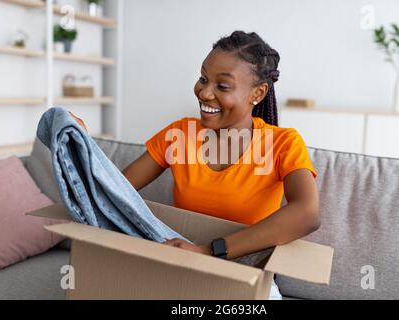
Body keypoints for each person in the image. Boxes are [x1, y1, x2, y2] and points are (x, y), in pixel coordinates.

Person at [71, 31, 320, 300]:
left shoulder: (282, 143)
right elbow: (112, 192)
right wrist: (84, 147)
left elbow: (307, 213)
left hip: (244, 279)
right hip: (182, 273)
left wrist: (208, 250)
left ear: (258, 93)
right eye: (203, 78)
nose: (204, 92)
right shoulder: (178, 135)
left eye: (222, 86)